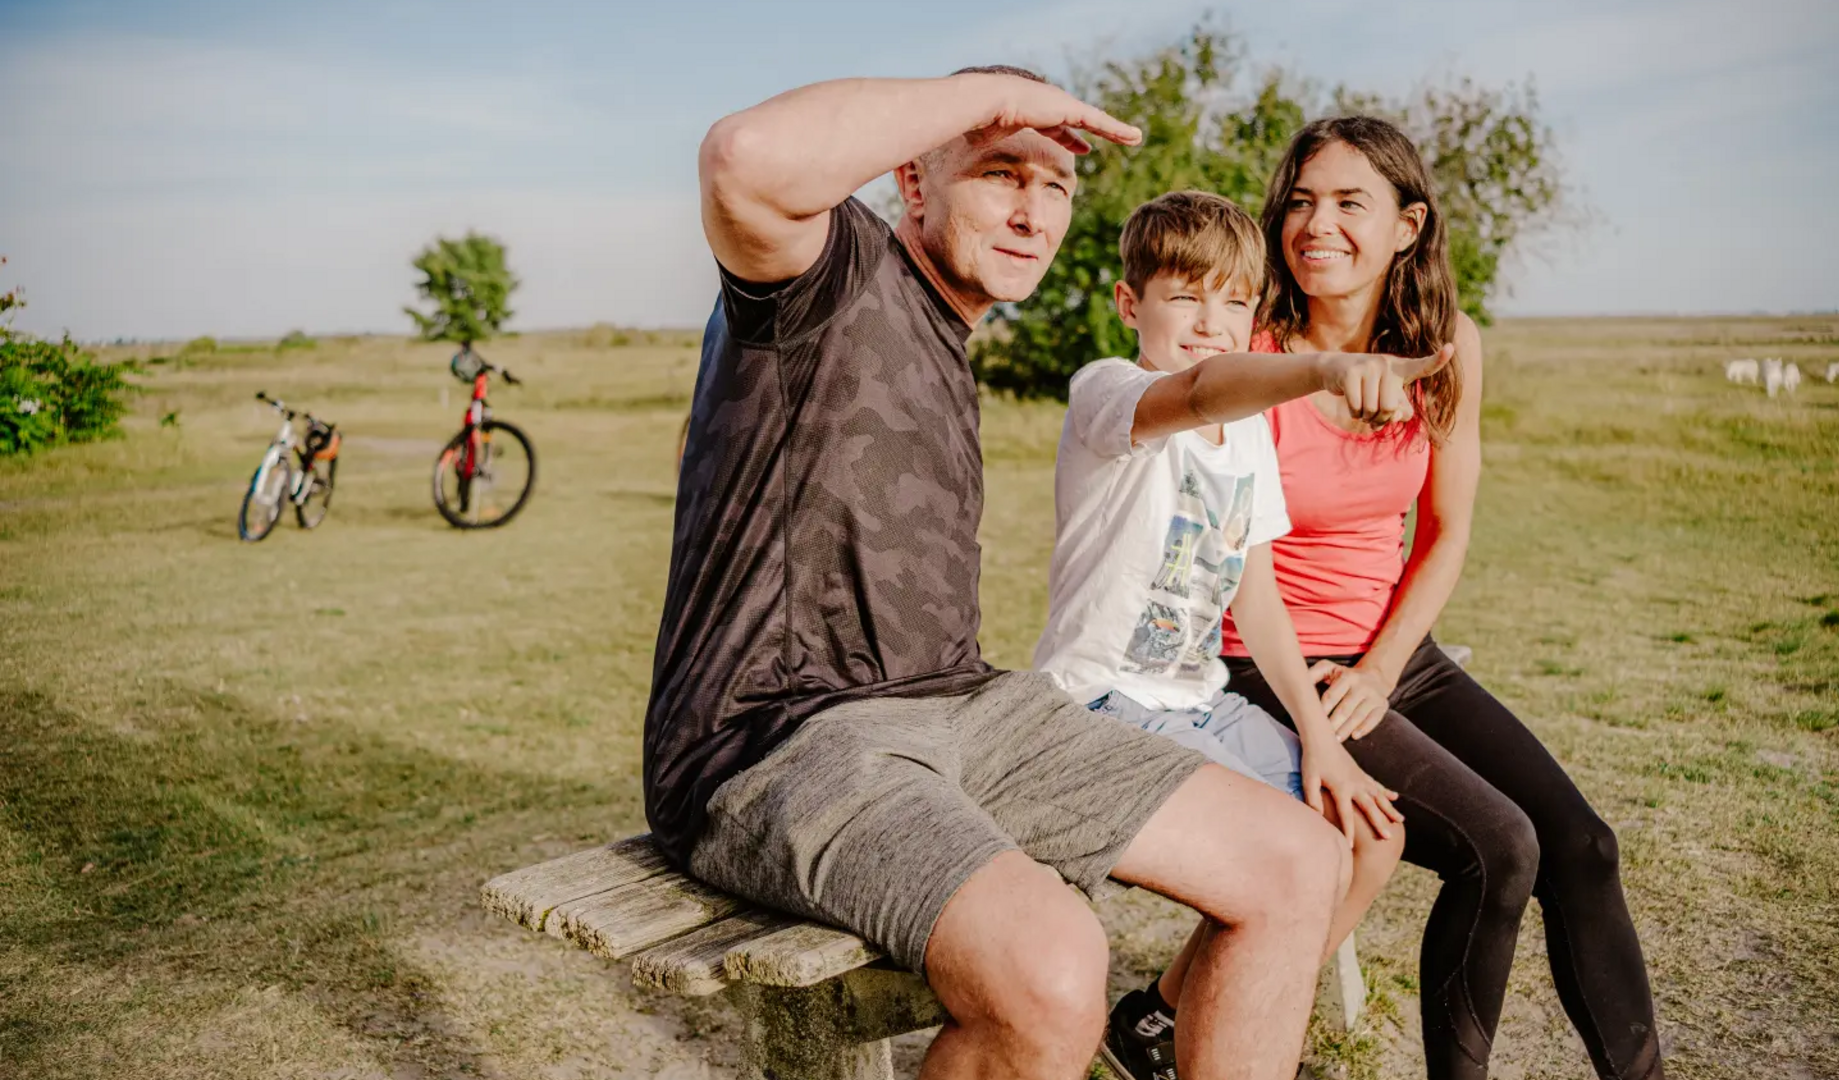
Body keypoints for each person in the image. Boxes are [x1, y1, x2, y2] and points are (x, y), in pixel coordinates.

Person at [643, 67, 1425, 1080]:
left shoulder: (947, 333)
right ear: (914, 186)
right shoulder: (829, 275)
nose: (1031, 209)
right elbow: (742, 160)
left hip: (963, 706)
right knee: (1055, 967)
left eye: (1055, 185)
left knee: (1302, 859)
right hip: (778, 736)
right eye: (999, 171)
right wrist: (986, 91)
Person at [1216, 115, 1666, 1080]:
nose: (1315, 225)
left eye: (1348, 203)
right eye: (1299, 201)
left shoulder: (1447, 344)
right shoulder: (1251, 349)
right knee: (1499, 847)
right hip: (1266, 660)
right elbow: (1232, 566)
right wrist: (1339, 694)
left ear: (1408, 225)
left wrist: (1383, 669)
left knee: (1581, 844)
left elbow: (1446, 534)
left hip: (1389, 655)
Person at [1032, 190, 1438, 1080]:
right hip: (1097, 706)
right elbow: (1204, 386)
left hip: (1197, 703)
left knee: (1370, 834)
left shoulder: (1247, 435)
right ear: (1129, 303)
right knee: (1293, 857)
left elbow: (1255, 600)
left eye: (1233, 302)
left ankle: (1171, 1026)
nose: (1210, 321)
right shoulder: (1111, 395)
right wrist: (1328, 368)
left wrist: (1321, 740)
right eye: (1185, 296)